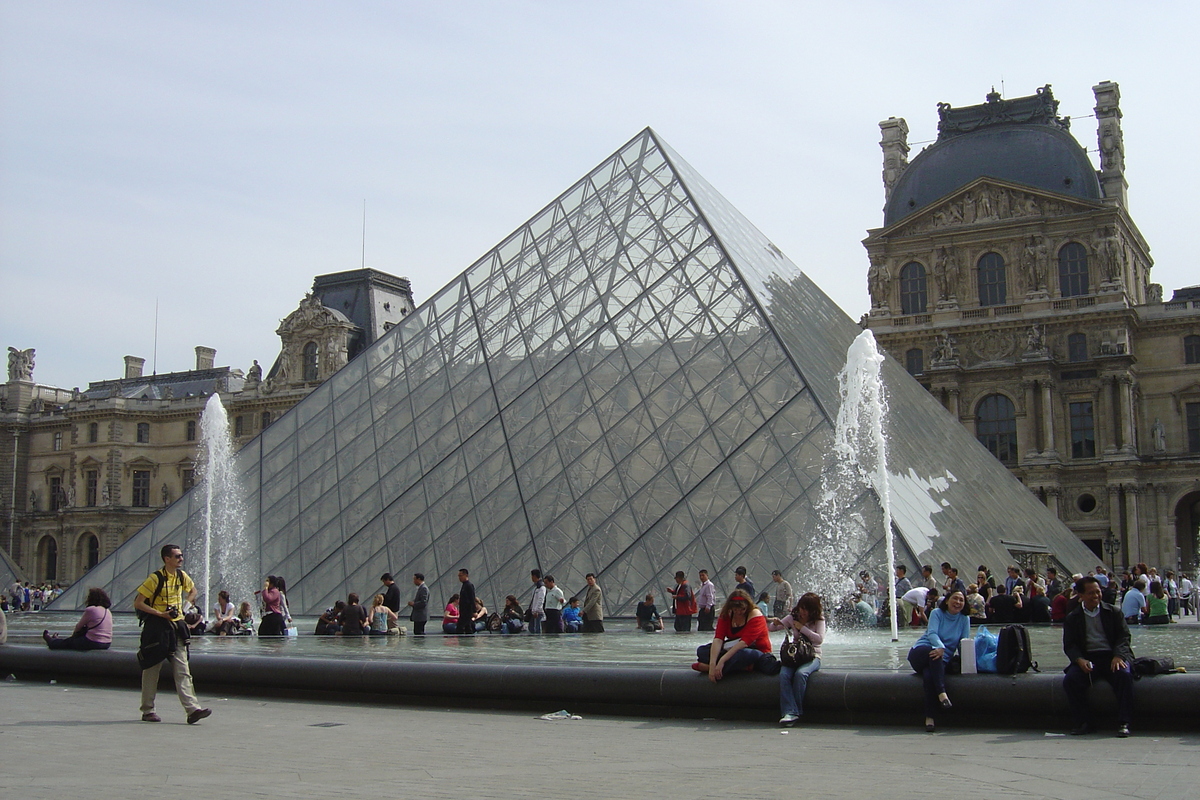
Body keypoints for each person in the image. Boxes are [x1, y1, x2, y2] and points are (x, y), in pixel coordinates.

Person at [132, 543, 211, 724]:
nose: (181, 559)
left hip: (176, 627)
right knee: (152, 668)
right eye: (177, 556)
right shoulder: (155, 579)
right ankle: (148, 710)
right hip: (158, 628)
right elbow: (138, 603)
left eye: (181, 555)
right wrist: (160, 613)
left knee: (183, 669)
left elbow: (193, 590)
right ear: (167, 559)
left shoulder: (181, 576)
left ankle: (192, 710)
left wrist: (184, 606)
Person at [1063, 576, 1134, 737]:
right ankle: (1084, 722)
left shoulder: (1114, 612)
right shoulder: (1072, 617)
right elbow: (1070, 645)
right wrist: (1079, 660)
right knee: (1071, 681)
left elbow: (1124, 637)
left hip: (1112, 657)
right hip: (1088, 659)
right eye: (1091, 593)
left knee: (1124, 676)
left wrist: (1119, 656)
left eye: (1098, 592)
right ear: (1080, 595)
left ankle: (1124, 722)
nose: (1096, 596)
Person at [906, 590, 969, 732]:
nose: (958, 602)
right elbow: (932, 633)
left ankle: (930, 717)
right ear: (947, 600)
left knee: (929, 676)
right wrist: (940, 647)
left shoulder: (964, 619)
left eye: (961, 600)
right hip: (921, 652)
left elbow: (963, 642)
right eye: (955, 599)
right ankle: (942, 693)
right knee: (933, 654)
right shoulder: (936, 613)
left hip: (940, 661)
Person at [769, 593, 824, 727]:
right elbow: (773, 628)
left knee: (801, 674)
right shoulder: (793, 617)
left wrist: (802, 628)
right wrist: (775, 623)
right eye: (801, 608)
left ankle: (794, 712)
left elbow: (819, 639)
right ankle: (790, 712)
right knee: (784, 675)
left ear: (813, 610)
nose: (803, 612)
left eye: (807, 610)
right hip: (794, 656)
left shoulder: (819, 620)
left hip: (812, 655)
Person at [692, 589, 773, 680]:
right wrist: (713, 663)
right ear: (730, 607)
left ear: (748, 606)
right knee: (702, 650)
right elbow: (718, 639)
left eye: (742, 609)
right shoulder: (726, 615)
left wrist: (722, 661)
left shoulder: (755, 615)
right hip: (732, 649)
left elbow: (744, 643)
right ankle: (741, 668)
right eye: (735, 610)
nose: (739, 612)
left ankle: (709, 668)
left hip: (756, 651)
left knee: (743, 654)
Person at [43, 587, 112, 650]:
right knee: (69, 642)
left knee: (69, 643)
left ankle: (51, 641)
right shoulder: (107, 611)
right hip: (107, 643)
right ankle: (56, 640)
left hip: (93, 642)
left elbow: (79, 626)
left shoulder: (91, 609)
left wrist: (73, 637)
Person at [456, 568, 476, 635]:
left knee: (461, 627)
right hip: (463, 611)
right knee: (467, 627)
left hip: (467, 611)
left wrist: (474, 611)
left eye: (461, 575)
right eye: (459, 576)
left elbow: (472, 598)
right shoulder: (464, 585)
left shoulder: (469, 585)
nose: (459, 578)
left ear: (466, 575)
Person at [528, 569, 546, 634]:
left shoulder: (541, 588)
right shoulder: (536, 587)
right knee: (532, 628)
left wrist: (537, 610)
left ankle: (538, 642)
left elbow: (541, 600)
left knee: (537, 628)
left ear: (534, 576)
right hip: (534, 612)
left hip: (538, 612)